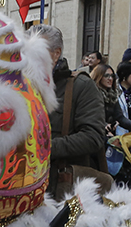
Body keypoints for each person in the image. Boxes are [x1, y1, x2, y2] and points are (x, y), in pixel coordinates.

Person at [33, 25, 108, 195]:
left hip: (60, 188)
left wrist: (43, 148)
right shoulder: (21, 84)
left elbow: (93, 137)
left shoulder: (80, 86)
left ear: (56, 53)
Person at [91, 63, 131, 134]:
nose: (110, 79)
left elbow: (119, 117)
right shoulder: (92, 94)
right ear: (99, 76)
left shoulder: (113, 95)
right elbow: (92, 117)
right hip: (93, 133)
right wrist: (105, 125)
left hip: (108, 133)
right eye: (106, 76)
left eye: (112, 76)